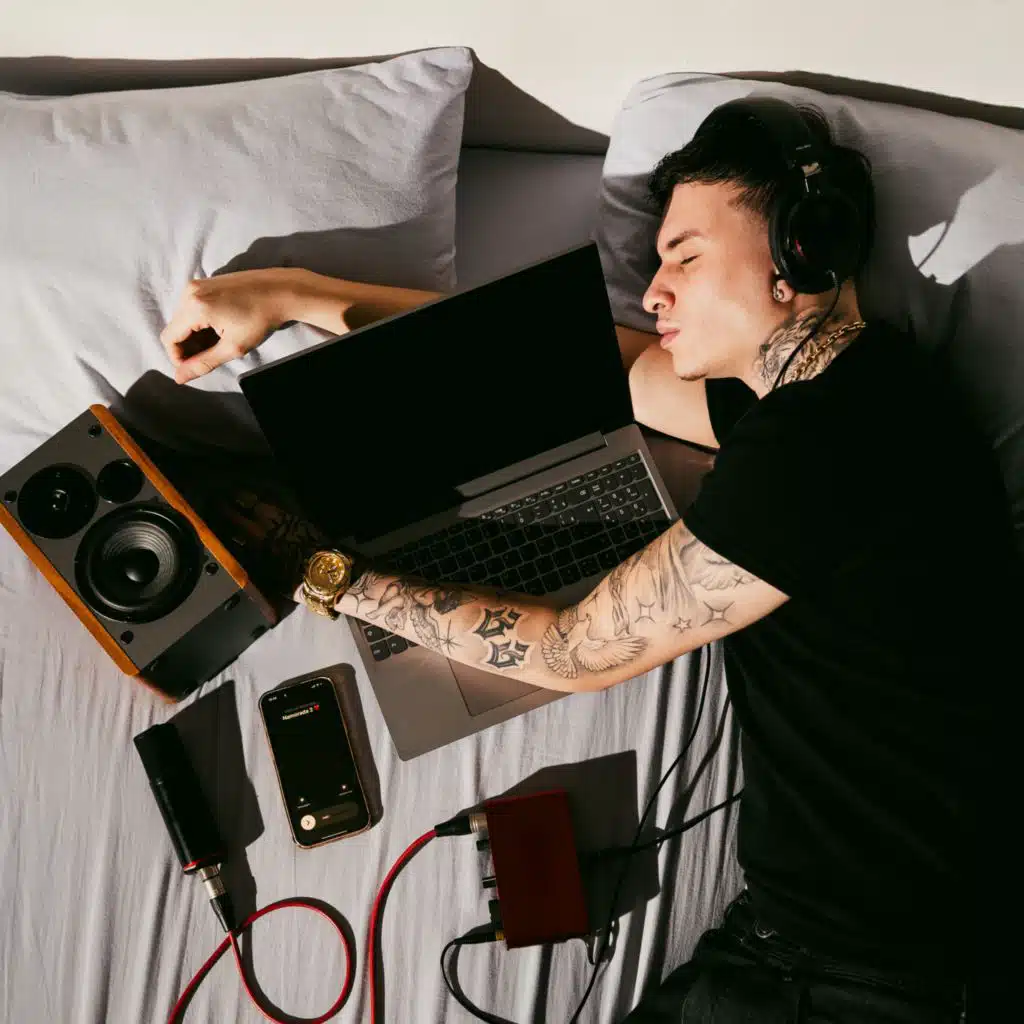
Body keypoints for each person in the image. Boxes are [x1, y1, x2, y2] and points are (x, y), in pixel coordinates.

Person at [161, 101, 1021, 1022]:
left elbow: (572, 649)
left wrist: (329, 574)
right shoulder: (851, 394)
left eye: (685, 257)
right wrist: (293, 297)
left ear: (799, 251)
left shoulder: (829, 442)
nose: (654, 292)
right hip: (825, 951)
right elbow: (563, 361)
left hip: (875, 981)